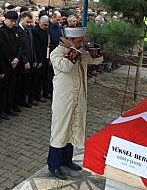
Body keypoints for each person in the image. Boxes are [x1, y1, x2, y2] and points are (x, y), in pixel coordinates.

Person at [47, 27, 103, 179]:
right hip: (64, 100)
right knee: (61, 130)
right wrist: (73, 48)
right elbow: (65, 66)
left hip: (78, 98)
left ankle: (66, 160)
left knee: (74, 127)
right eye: (79, 41)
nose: (81, 44)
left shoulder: (80, 52)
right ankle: (54, 165)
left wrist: (89, 44)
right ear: (69, 41)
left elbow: (98, 59)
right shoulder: (56, 53)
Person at [0, 11, 22, 119]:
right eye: (11, 21)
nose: (13, 23)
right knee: (3, 89)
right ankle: (0, 110)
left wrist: (17, 58)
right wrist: (10, 59)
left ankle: (8, 107)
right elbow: (2, 48)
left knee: (12, 87)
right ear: (5, 19)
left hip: (14, 63)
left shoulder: (15, 30)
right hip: (5, 63)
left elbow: (19, 45)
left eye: (15, 21)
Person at [16, 12, 37, 108]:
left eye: (30, 22)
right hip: (22, 62)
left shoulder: (29, 30)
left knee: (27, 83)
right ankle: (18, 101)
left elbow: (32, 46)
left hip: (30, 60)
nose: (29, 24)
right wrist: (25, 61)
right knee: (20, 84)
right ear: (21, 19)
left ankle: (24, 100)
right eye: (27, 22)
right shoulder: (17, 30)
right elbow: (19, 48)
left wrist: (34, 59)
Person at [31, 15, 50, 102]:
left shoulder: (45, 31)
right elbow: (36, 47)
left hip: (44, 56)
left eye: (47, 25)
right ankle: (34, 96)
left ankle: (39, 94)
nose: (45, 27)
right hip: (39, 58)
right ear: (39, 22)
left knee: (42, 77)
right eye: (44, 25)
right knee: (36, 79)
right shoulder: (35, 31)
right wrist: (39, 60)